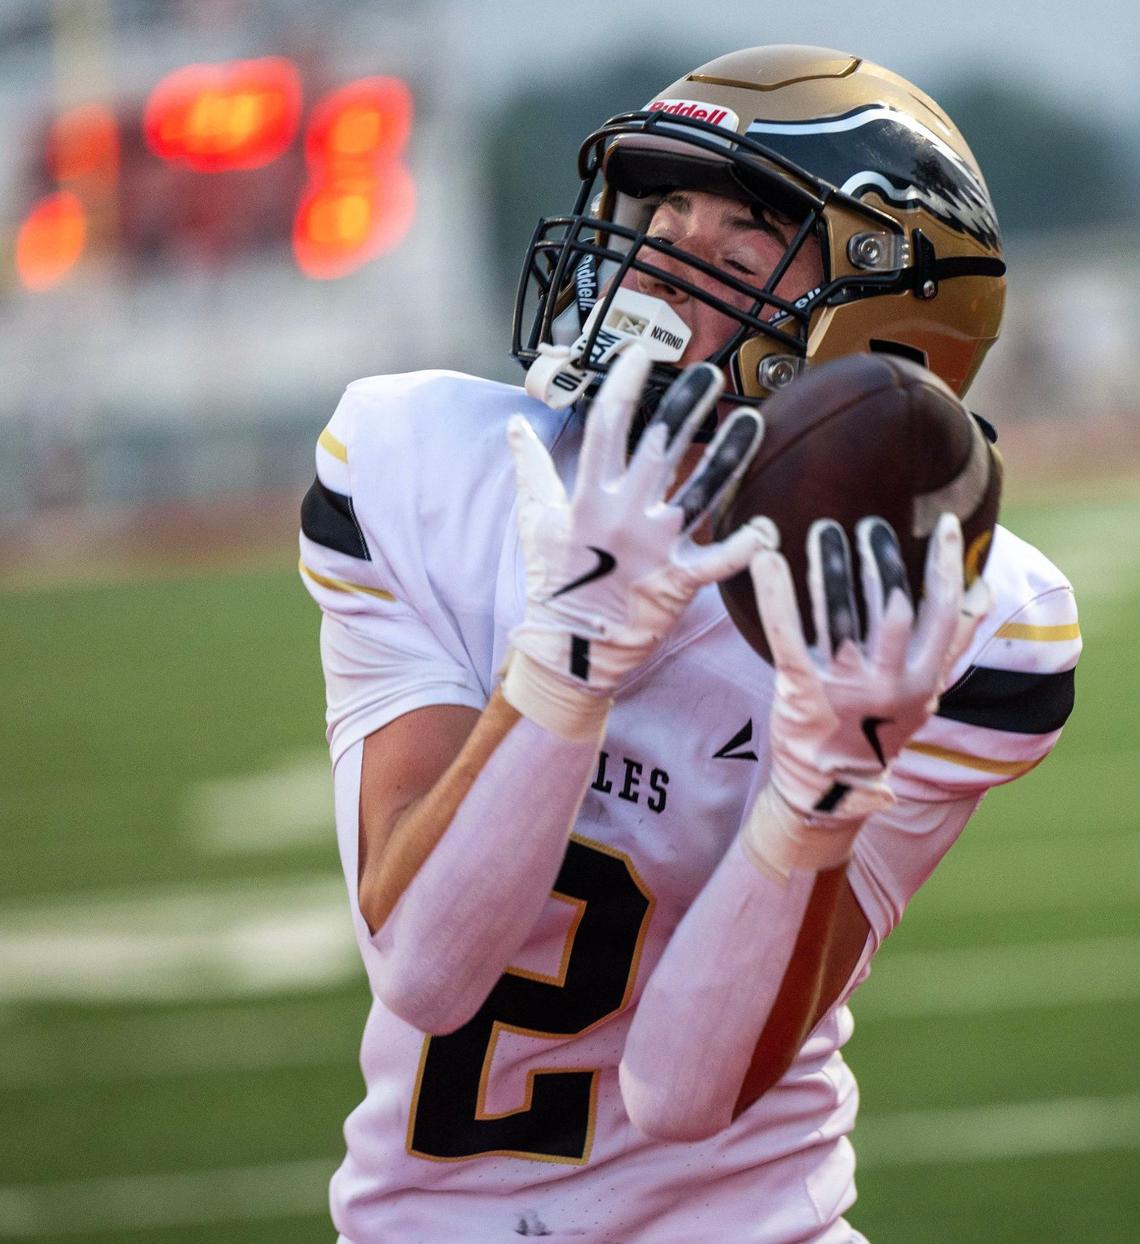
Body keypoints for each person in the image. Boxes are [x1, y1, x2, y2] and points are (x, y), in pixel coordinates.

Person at [299, 45, 1079, 1243]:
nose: (650, 271)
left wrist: (819, 796)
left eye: (733, 251)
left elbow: (686, 1090)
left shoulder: (953, 619)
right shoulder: (430, 473)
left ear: (878, 326)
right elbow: (424, 970)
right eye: (661, 214)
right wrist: (566, 660)